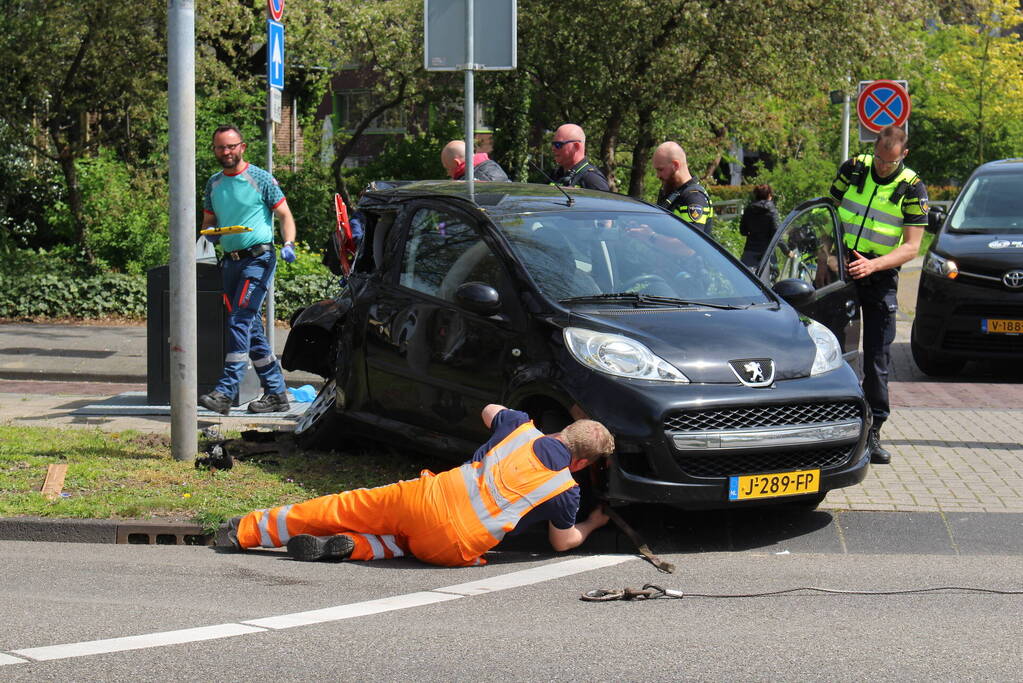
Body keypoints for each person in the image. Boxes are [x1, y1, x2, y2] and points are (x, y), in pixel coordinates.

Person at [219, 405, 615, 567]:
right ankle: (353, 547)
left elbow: (488, 410)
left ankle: (245, 531)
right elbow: (563, 543)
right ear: (581, 463)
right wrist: (593, 523)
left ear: (564, 431)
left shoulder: (519, 428)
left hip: (425, 499)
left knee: (343, 507)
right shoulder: (566, 490)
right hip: (453, 546)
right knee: (405, 544)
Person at [830, 124, 928, 465]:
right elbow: (827, 213)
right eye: (879, 159)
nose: (882, 167)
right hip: (839, 269)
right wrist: (828, 255)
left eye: (889, 162)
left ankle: (873, 432)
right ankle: (827, 426)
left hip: (879, 274)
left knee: (876, 358)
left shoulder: (912, 187)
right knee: (830, 352)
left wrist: (874, 266)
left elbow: (912, 247)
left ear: (904, 154)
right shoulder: (854, 167)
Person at [198, 125, 297, 416]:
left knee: (239, 320)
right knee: (251, 329)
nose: (226, 152)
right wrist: (212, 234)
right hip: (230, 262)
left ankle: (225, 392)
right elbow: (208, 223)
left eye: (231, 146)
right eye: (220, 147)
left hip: (258, 259)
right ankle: (277, 393)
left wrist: (288, 242)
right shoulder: (213, 184)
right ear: (214, 150)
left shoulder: (260, 179)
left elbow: (284, 214)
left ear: (242, 147)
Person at [651, 141, 714, 235]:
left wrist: (650, 237)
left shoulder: (694, 197)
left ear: (675, 165)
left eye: (660, 169)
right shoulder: (671, 192)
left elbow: (690, 246)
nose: (657, 175)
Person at [549, 124, 610, 191]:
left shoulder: (592, 179)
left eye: (558, 145)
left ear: (576, 146)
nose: (553, 148)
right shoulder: (555, 175)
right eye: (553, 144)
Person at [738, 184, 779, 267]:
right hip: (767, 253)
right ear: (769, 195)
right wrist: (787, 251)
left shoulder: (749, 209)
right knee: (769, 278)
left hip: (749, 252)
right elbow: (776, 233)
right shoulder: (772, 211)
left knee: (745, 277)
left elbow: (743, 231)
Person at [440, 140, 509, 182]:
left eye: (447, 169)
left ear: (457, 163)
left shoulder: (467, 185)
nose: (448, 174)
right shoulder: (493, 167)